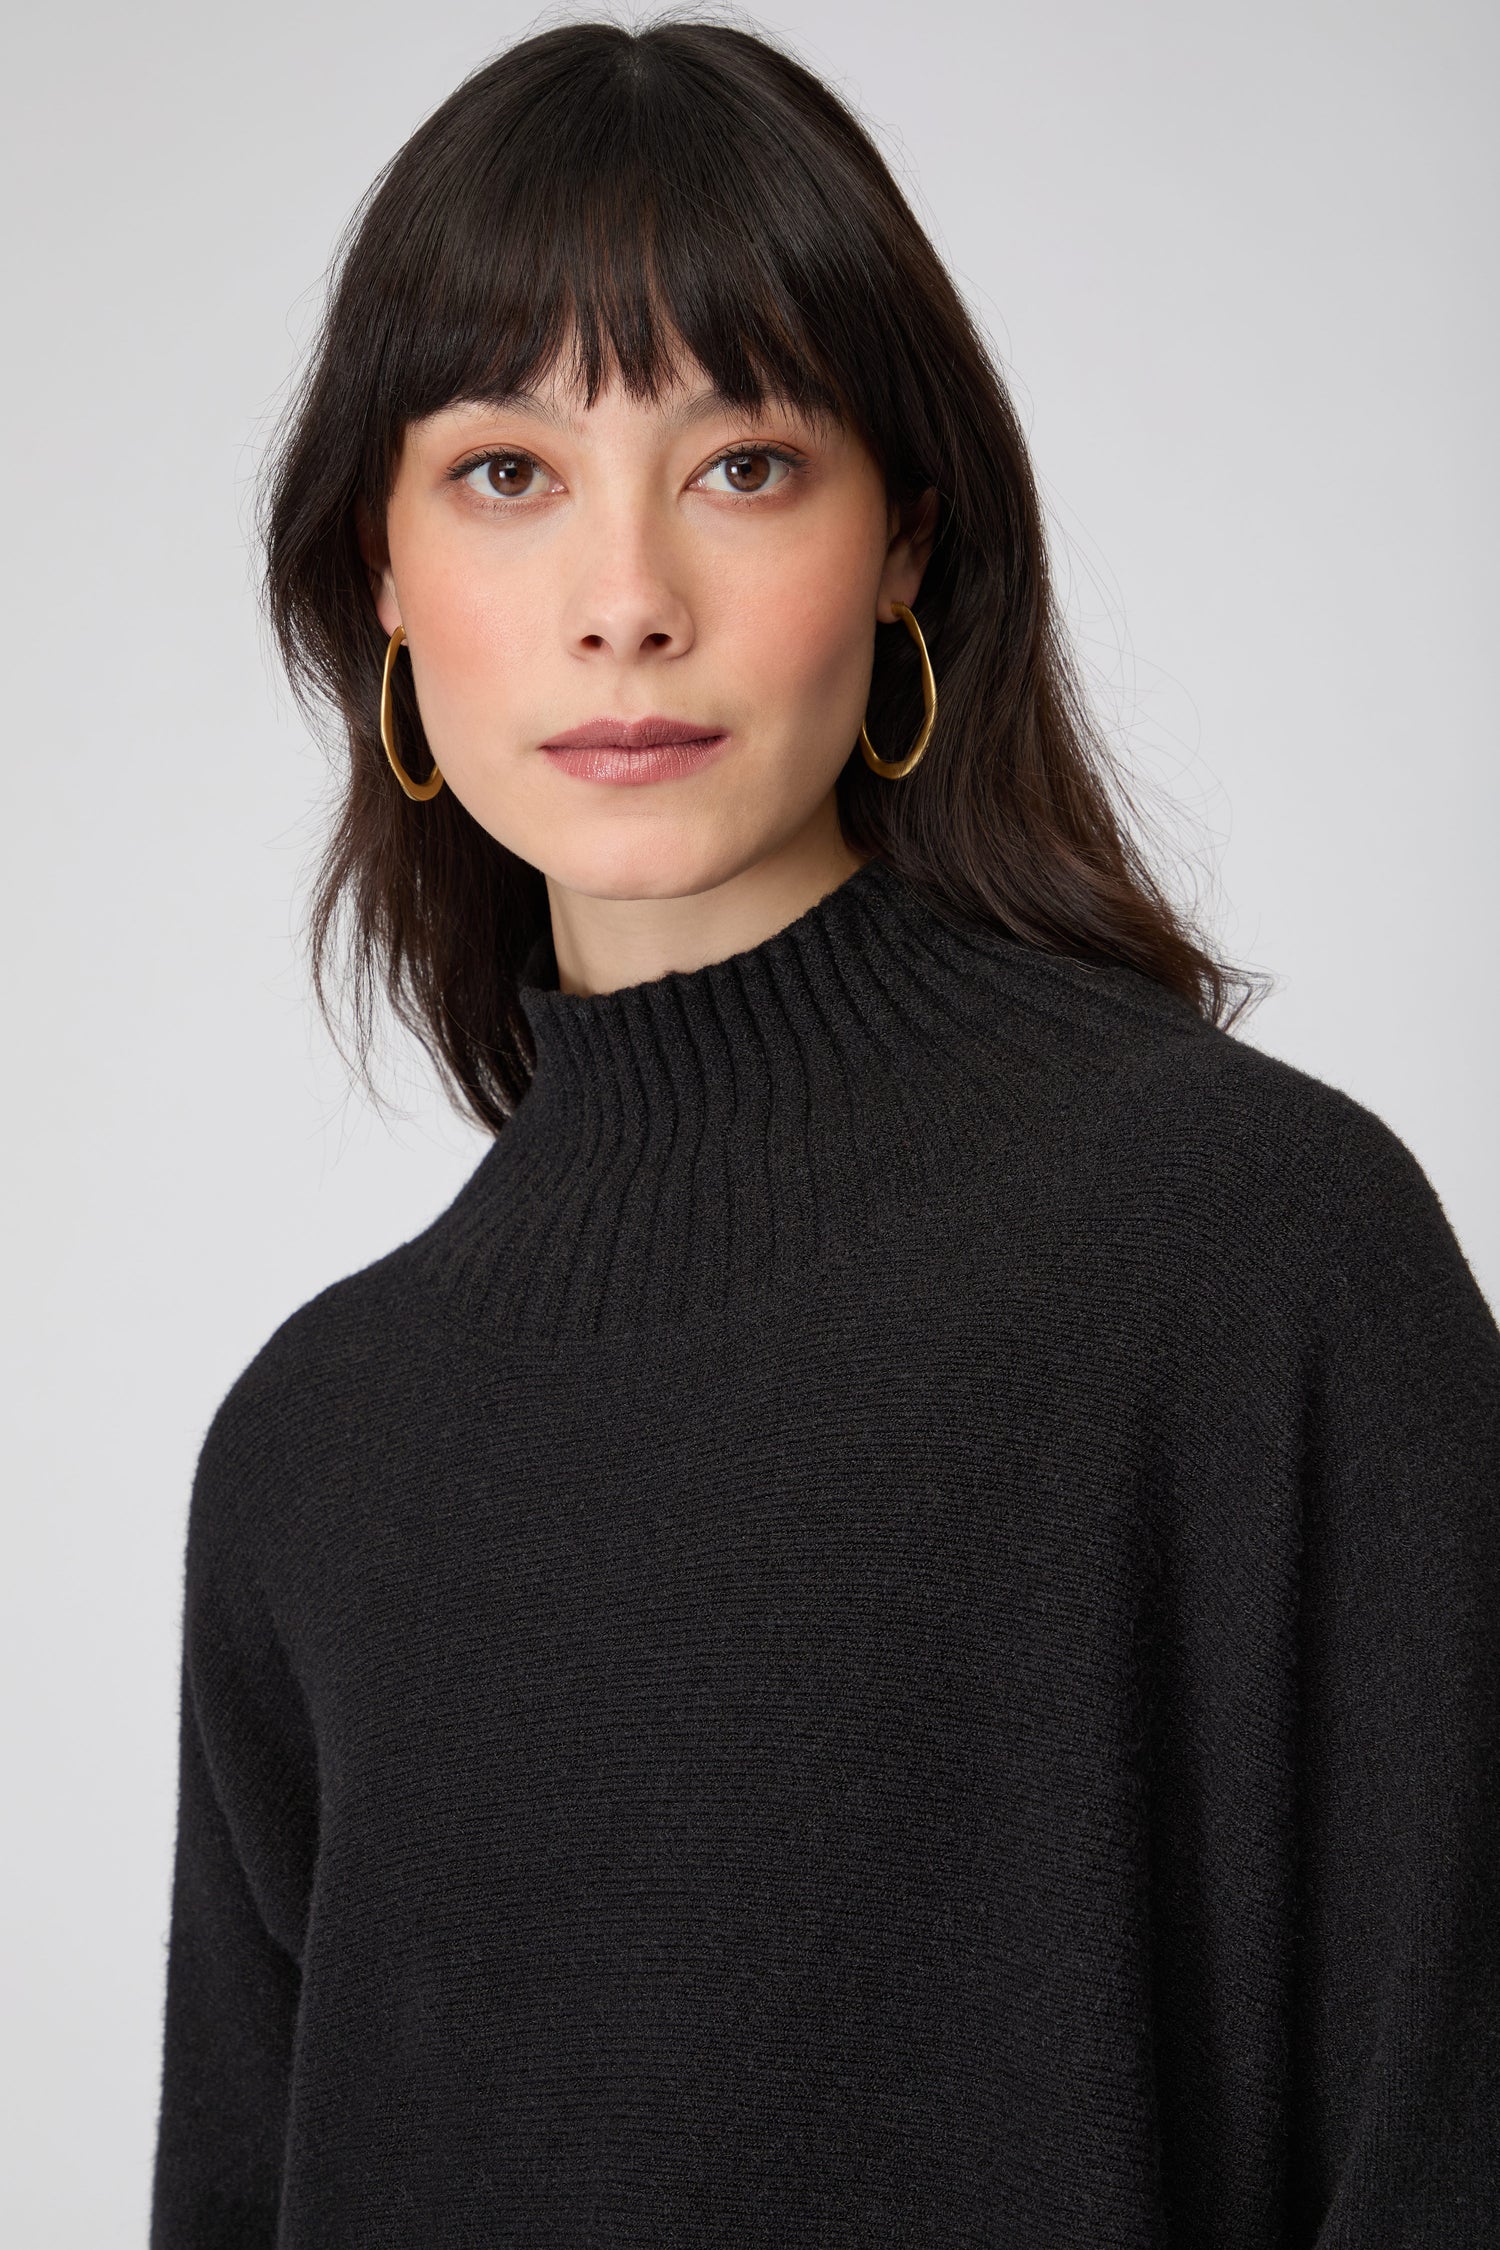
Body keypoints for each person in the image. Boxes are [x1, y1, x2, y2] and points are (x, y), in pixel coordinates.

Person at [148, 17, 1500, 2246]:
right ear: (377, 575)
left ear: (905, 544)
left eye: (744, 461)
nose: (625, 596)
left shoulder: (1254, 1252)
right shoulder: (312, 1451)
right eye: (505, 472)